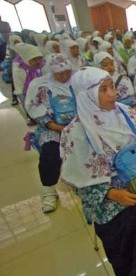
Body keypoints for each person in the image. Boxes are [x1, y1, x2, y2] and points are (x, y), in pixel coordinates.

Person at [60, 67, 136, 276]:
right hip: (113, 199)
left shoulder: (126, 114)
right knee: (135, 233)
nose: (112, 94)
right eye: (103, 90)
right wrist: (113, 194)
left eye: (112, 87)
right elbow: (79, 181)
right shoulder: (75, 132)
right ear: (87, 95)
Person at [24, 54, 76, 213]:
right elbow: (32, 106)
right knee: (50, 154)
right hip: (51, 127)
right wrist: (55, 126)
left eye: (68, 72)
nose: (65, 76)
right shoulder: (40, 85)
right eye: (61, 73)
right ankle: (49, 192)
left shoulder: (76, 81)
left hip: (76, 125)